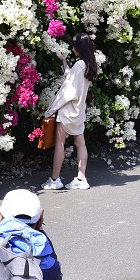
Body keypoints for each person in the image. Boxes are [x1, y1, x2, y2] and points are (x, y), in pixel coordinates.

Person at [41, 33, 99, 191]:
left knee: (60, 144)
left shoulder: (80, 64)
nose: (73, 49)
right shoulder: (89, 65)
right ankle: (81, 178)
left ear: (79, 48)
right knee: (81, 144)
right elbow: (71, 79)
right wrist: (64, 61)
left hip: (67, 111)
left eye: (74, 46)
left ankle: (55, 179)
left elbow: (67, 91)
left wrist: (51, 110)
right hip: (79, 111)